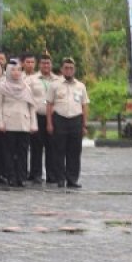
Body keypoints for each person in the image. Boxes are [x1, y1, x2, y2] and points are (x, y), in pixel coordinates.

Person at [46, 57, 89, 188]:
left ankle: (72, 179)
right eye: (66, 68)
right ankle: (60, 178)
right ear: (61, 69)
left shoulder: (80, 86)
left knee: (74, 152)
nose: (69, 70)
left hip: (76, 120)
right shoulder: (55, 85)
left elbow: (85, 105)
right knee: (59, 151)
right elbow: (49, 104)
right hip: (60, 119)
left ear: (74, 70)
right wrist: (49, 123)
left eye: (71, 68)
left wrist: (84, 124)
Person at [0, 62, 38, 188]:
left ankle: (21, 177)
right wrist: (0, 122)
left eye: (18, 70)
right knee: (9, 152)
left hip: (23, 123)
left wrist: (33, 124)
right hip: (8, 123)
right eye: (13, 70)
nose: (16, 72)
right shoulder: (2, 86)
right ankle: (11, 176)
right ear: (8, 71)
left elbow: (32, 107)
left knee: (23, 152)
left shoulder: (26, 87)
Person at [27, 51, 60, 184]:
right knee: (36, 147)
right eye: (43, 63)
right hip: (38, 116)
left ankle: (52, 175)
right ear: (39, 65)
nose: (46, 65)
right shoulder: (31, 80)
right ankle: (36, 174)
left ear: (51, 65)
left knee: (52, 147)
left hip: (53, 117)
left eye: (48, 63)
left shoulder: (58, 80)